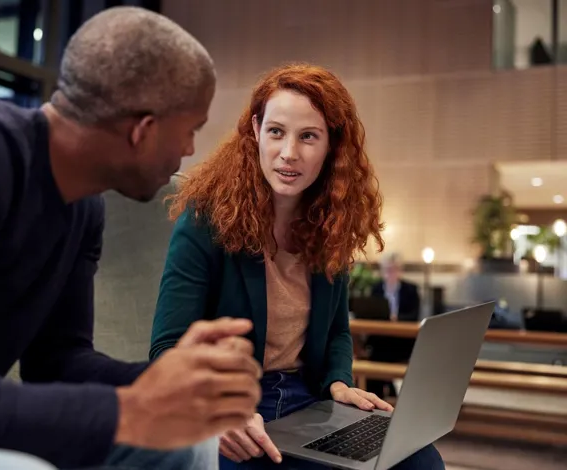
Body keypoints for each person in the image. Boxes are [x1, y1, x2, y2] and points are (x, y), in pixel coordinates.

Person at [0, 7, 263, 470]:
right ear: (143, 130)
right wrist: (125, 411)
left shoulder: (82, 207)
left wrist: (173, 383)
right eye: (190, 130)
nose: (190, 150)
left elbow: (56, 363)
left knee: (186, 441)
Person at [149, 63, 446, 469]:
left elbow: (338, 331)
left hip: (310, 401)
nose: (289, 153)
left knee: (419, 461)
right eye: (276, 132)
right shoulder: (207, 219)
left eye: (308, 136)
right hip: (233, 403)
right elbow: (167, 348)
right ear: (255, 130)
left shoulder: (332, 224)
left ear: (331, 145)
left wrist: (339, 382)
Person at [366, 253, 421, 399]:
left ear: (399, 270)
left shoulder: (411, 289)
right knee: (375, 358)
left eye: (393, 269)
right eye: (387, 269)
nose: (390, 273)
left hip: (401, 341)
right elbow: (371, 313)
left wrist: (396, 319)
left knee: (382, 356)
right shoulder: (376, 289)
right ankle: (378, 395)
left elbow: (414, 316)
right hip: (381, 340)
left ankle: (390, 392)